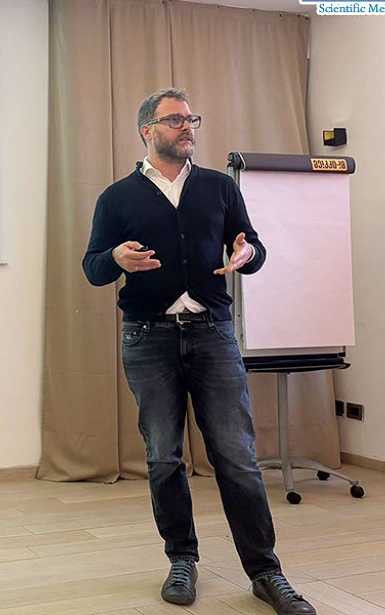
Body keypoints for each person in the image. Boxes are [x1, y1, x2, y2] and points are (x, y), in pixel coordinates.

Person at [81, 88, 316, 615]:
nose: (188, 127)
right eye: (175, 120)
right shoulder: (117, 198)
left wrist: (248, 253)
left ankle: (266, 572)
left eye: (192, 120)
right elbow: (93, 267)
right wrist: (115, 257)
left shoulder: (219, 187)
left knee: (237, 456)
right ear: (147, 129)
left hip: (213, 334)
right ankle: (182, 559)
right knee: (164, 456)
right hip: (148, 337)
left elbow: (252, 248)